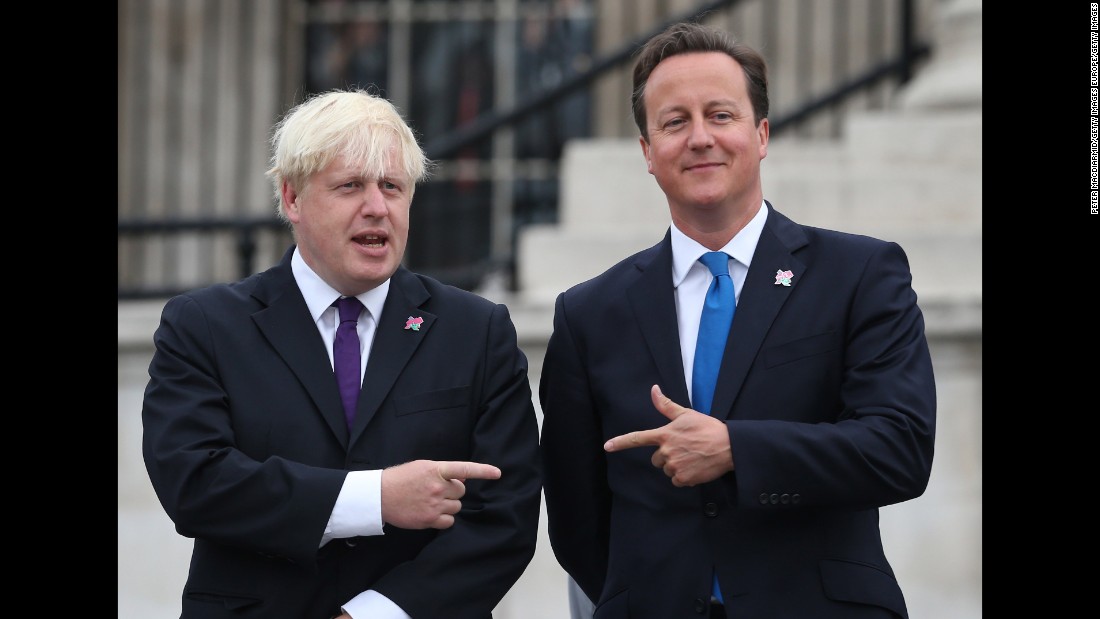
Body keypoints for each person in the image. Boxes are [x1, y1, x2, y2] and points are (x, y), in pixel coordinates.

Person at [539, 21, 935, 619]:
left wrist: (737, 450)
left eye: (720, 115)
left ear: (762, 134)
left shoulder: (858, 274)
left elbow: (898, 449)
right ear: (648, 151)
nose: (700, 138)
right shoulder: (589, 313)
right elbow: (576, 518)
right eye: (674, 122)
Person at [142, 88, 542, 619]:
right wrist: (375, 498)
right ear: (292, 200)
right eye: (350, 186)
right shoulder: (205, 326)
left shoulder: (476, 331)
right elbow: (195, 482)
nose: (376, 207)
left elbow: (504, 517)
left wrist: (376, 614)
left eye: (392, 187)